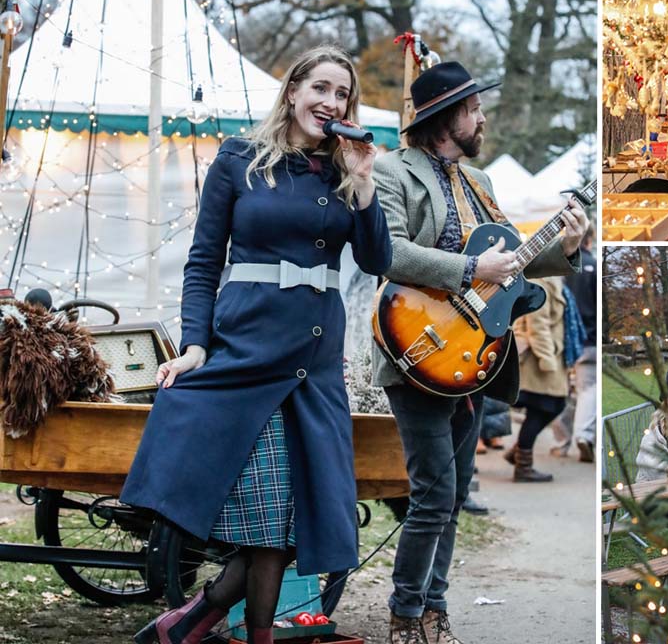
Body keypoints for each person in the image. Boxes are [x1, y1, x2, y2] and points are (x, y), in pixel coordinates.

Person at [123, 46, 392, 644]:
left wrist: (365, 181)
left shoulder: (345, 171)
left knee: (295, 518)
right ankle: (214, 627)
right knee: (271, 520)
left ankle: (191, 622)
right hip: (247, 350)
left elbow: (378, 260)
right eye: (320, 88)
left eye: (342, 94)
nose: (330, 102)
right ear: (293, 91)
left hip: (314, 362)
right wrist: (195, 345)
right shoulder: (238, 159)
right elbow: (203, 261)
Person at [371, 60, 587, 644]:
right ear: (445, 119)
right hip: (417, 346)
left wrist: (566, 246)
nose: (482, 118)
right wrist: (471, 268)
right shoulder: (392, 171)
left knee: (456, 492)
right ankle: (404, 615)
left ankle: (435, 613)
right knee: (433, 494)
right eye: (473, 109)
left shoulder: (481, 183)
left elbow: (512, 265)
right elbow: (388, 252)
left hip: (476, 358)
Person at [506, 276, 571, 482]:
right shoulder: (541, 282)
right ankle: (523, 466)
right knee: (543, 407)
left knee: (552, 405)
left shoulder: (553, 280)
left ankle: (519, 453)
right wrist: (547, 360)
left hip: (549, 353)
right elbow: (537, 325)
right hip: (539, 358)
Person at [565, 225, 597, 463]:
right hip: (588, 338)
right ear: (590, 240)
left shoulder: (561, 269)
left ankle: (561, 442)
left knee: (565, 389)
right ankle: (583, 435)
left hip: (565, 338)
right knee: (588, 389)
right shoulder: (593, 266)